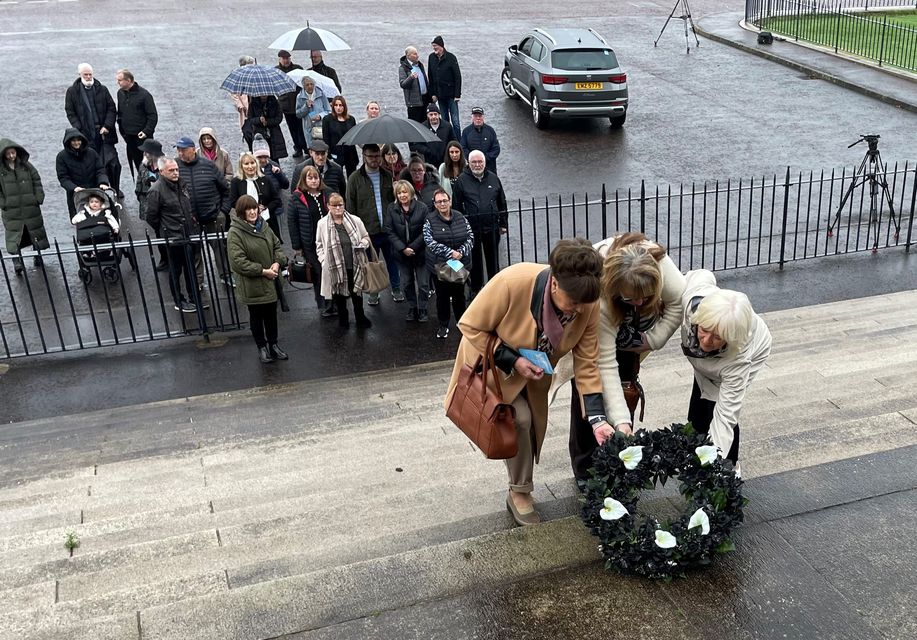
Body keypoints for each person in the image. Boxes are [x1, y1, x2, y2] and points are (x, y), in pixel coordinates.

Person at [445, 238, 612, 526]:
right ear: (556, 284)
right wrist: (514, 360)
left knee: (531, 425)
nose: (577, 311)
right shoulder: (513, 281)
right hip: (493, 364)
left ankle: (518, 488)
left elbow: (586, 363)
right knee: (519, 419)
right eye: (572, 304)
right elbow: (469, 324)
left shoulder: (587, 303)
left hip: (535, 373)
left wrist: (598, 419)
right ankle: (519, 492)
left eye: (584, 306)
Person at [557, 233, 686, 491]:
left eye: (645, 297)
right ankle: (585, 467)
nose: (638, 303)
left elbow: (677, 305)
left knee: (626, 385)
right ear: (617, 291)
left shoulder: (662, 267)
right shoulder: (601, 295)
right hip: (597, 329)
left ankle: (618, 456)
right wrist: (619, 419)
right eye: (631, 299)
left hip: (636, 334)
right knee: (587, 389)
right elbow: (603, 362)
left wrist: (653, 340)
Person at [680, 269, 772, 476]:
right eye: (704, 330)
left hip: (747, 353)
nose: (706, 341)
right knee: (700, 403)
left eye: (717, 337)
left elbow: (726, 415)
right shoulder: (693, 300)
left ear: (729, 337)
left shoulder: (739, 357)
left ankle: (728, 467)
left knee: (714, 404)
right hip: (706, 362)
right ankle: (696, 448)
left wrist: (712, 460)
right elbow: (701, 275)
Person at [228, 194, 289, 363]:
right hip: (253, 284)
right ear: (242, 212)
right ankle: (262, 347)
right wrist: (263, 271)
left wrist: (277, 263)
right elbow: (238, 262)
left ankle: (273, 345)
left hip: (271, 280)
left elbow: (277, 246)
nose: (253, 212)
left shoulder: (265, 226)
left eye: (254, 208)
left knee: (271, 315)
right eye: (248, 209)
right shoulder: (235, 233)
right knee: (256, 316)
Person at [345, 144, 399, 305]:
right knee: (370, 264)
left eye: (377, 156)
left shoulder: (388, 175)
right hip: (368, 231)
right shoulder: (354, 178)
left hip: (388, 229)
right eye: (371, 156)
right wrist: (355, 231)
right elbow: (350, 205)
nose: (375, 160)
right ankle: (374, 291)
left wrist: (396, 190)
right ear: (364, 156)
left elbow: (395, 203)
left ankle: (396, 287)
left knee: (392, 260)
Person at [145, 158, 200, 313]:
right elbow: (151, 216)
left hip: (187, 234)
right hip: (173, 237)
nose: (175, 172)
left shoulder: (181, 184)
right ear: (161, 171)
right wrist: (166, 229)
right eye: (171, 170)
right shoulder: (156, 190)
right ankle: (179, 300)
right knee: (175, 271)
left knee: (190, 270)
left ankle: (194, 298)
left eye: (176, 169)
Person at [175, 136, 231, 286]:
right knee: (194, 252)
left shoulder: (208, 165)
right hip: (190, 219)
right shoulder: (175, 168)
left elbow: (225, 189)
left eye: (184, 150)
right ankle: (197, 281)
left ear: (193, 150)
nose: (180, 153)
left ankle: (226, 275)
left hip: (213, 216)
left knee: (220, 248)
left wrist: (223, 211)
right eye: (179, 150)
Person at [451, 150, 507, 298]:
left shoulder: (494, 179)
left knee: (492, 258)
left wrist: (503, 223)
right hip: (472, 229)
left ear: (485, 162)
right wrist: (459, 229)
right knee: (474, 260)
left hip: (492, 227)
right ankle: (476, 288)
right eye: (474, 162)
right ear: (469, 164)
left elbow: (502, 202)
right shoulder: (461, 181)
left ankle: (495, 285)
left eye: (480, 162)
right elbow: (456, 206)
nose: (477, 165)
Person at [315, 192, 373, 329]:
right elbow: (319, 245)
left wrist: (362, 244)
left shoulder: (355, 220)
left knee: (356, 293)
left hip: (354, 264)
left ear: (344, 204)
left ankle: (360, 317)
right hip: (335, 267)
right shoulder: (322, 224)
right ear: (328, 206)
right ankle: (343, 319)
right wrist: (324, 261)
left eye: (340, 205)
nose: (337, 208)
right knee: (339, 295)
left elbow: (366, 237)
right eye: (334, 205)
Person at [64, 63, 121, 195]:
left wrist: (107, 126)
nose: (89, 77)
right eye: (86, 75)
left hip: (105, 134)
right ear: (80, 75)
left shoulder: (102, 89)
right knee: (91, 163)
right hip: (86, 135)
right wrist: (79, 129)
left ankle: (115, 189)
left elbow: (111, 108)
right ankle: (97, 189)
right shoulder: (72, 91)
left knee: (113, 163)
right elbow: (70, 112)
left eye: (90, 74)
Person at [423, 189, 472, 339]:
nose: (443, 204)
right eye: (439, 202)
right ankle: (443, 325)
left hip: (459, 264)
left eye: (445, 200)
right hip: (440, 266)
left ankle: (461, 322)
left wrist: (461, 252)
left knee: (459, 296)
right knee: (442, 297)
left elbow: (470, 236)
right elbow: (429, 242)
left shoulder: (460, 217)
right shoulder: (429, 220)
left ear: (450, 201)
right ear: (435, 204)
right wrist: (450, 253)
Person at [0, 139, 48, 275]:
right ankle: (17, 262)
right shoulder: (1, 171)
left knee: (34, 231)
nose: (11, 156)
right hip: (11, 211)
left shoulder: (26, 166)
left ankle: (37, 255)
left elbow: (36, 180)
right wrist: (4, 203)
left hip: (30, 207)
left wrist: (38, 197)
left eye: (13, 153)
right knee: (14, 236)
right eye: (8, 154)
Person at [289, 166, 332, 316]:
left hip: (329, 241)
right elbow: (292, 222)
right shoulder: (297, 197)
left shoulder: (327, 193)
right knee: (319, 273)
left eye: (316, 177)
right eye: (310, 178)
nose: (313, 181)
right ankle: (324, 305)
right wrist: (297, 246)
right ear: (304, 180)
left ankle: (335, 302)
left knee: (331, 271)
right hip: (310, 243)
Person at [385, 180, 430, 322]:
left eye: (404, 192)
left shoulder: (422, 208)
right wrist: (403, 248)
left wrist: (413, 247)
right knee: (407, 283)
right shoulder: (391, 209)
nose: (402, 195)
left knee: (423, 284)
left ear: (410, 192)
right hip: (401, 254)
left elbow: (426, 230)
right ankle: (412, 307)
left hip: (420, 253)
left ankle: (423, 308)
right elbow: (389, 230)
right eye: (399, 193)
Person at [55, 128, 110, 220]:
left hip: (95, 191)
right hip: (76, 194)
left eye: (78, 140)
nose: (76, 143)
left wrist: (103, 182)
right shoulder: (62, 157)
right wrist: (74, 188)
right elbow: (63, 177)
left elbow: (100, 169)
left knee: (100, 218)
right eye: (73, 141)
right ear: (69, 142)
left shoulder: (91, 153)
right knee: (80, 219)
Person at [230, 152, 283, 242]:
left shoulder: (266, 179)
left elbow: (277, 200)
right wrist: (250, 209)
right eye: (246, 164)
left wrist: (266, 209)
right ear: (241, 166)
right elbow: (233, 202)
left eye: (252, 163)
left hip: (268, 221)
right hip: (246, 223)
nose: (250, 166)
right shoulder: (236, 182)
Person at [115, 69, 158, 179]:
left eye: (120, 80)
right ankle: (141, 186)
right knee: (136, 164)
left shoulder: (144, 95)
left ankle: (150, 186)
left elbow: (152, 116)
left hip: (142, 138)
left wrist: (146, 131)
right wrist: (122, 131)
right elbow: (120, 113)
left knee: (148, 164)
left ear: (128, 80)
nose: (117, 83)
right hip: (129, 137)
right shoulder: (120, 93)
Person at [134, 138, 168, 270]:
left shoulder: (165, 164)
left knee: (165, 231)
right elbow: (139, 183)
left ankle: (171, 257)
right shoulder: (143, 165)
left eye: (147, 152)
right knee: (158, 232)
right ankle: (164, 258)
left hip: (163, 202)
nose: (145, 154)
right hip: (149, 203)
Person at [428, 35, 462, 135]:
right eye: (433, 46)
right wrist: (433, 93)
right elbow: (430, 76)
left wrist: (457, 95)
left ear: (441, 46)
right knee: (445, 121)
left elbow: (457, 77)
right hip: (440, 95)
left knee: (455, 122)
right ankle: (448, 141)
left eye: (436, 46)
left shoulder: (451, 58)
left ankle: (458, 142)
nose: (434, 48)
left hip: (451, 95)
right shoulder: (431, 58)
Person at [276, 50, 306, 159]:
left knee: (302, 127)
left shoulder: (297, 68)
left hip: (299, 103)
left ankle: (305, 146)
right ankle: (298, 147)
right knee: (292, 129)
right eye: (284, 59)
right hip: (286, 106)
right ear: (280, 59)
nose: (286, 60)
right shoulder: (276, 71)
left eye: (287, 58)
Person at [322, 96, 358, 176]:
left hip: (350, 153)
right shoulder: (327, 119)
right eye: (336, 105)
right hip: (336, 152)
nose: (338, 108)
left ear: (344, 107)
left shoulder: (351, 119)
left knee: (352, 176)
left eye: (340, 105)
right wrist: (328, 154)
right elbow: (326, 138)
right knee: (337, 176)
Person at [244, 95, 288, 161]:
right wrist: (259, 120)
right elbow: (250, 119)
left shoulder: (274, 102)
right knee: (261, 157)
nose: (264, 95)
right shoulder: (253, 103)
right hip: (259, 132)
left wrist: (268, 122)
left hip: (273, 133)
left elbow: (279, 118)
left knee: (274, 157)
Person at [295, 75, 331, 152]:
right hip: (309, 128)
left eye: (311, 84)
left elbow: (328, 110)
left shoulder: (321, 94)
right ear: (303, 86)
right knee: (312, 150)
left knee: (323, 148)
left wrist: (320, 116)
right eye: (307, 85)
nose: (310, 86)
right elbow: (298, 114)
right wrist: (306, 107)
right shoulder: (300, 97)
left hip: (321, 126)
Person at [460, 107, 500, 175]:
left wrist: (484, 158)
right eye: (475, 116)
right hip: (472, 168)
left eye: (480, 116)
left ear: (483, 117)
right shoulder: (466, 131)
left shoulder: (490, 130)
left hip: (489, 167)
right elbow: (463, 148)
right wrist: (473, 159)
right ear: (472, 118)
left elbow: (496, 149)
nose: (478, 118)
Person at [399, 46, 430, 123]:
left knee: (425, 124)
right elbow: (403, 84)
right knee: (416, 124)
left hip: (425, 100)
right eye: (415, 54)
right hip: (413, 103)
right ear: (408, 56)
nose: (417, 56)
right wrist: (411, 77)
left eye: (417, 54)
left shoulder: (420, 65)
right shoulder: (403, 68)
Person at [419, 103, 456, 167]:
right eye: (431, 114)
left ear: (439, 115)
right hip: (429, 161)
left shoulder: (447, 126)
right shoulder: (422, 127)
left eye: (435, 114)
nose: (433, 117)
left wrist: (447, 150)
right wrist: (427, 151)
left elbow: (454, 140)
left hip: (445, 160)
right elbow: (417, 144)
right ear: (427, 115)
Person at [231, 55, 256, 140]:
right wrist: (240, 105)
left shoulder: (256, 76)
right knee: (247, 131)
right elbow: (234, 93)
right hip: (245, 109)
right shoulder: (238, 77)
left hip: (255, 107)